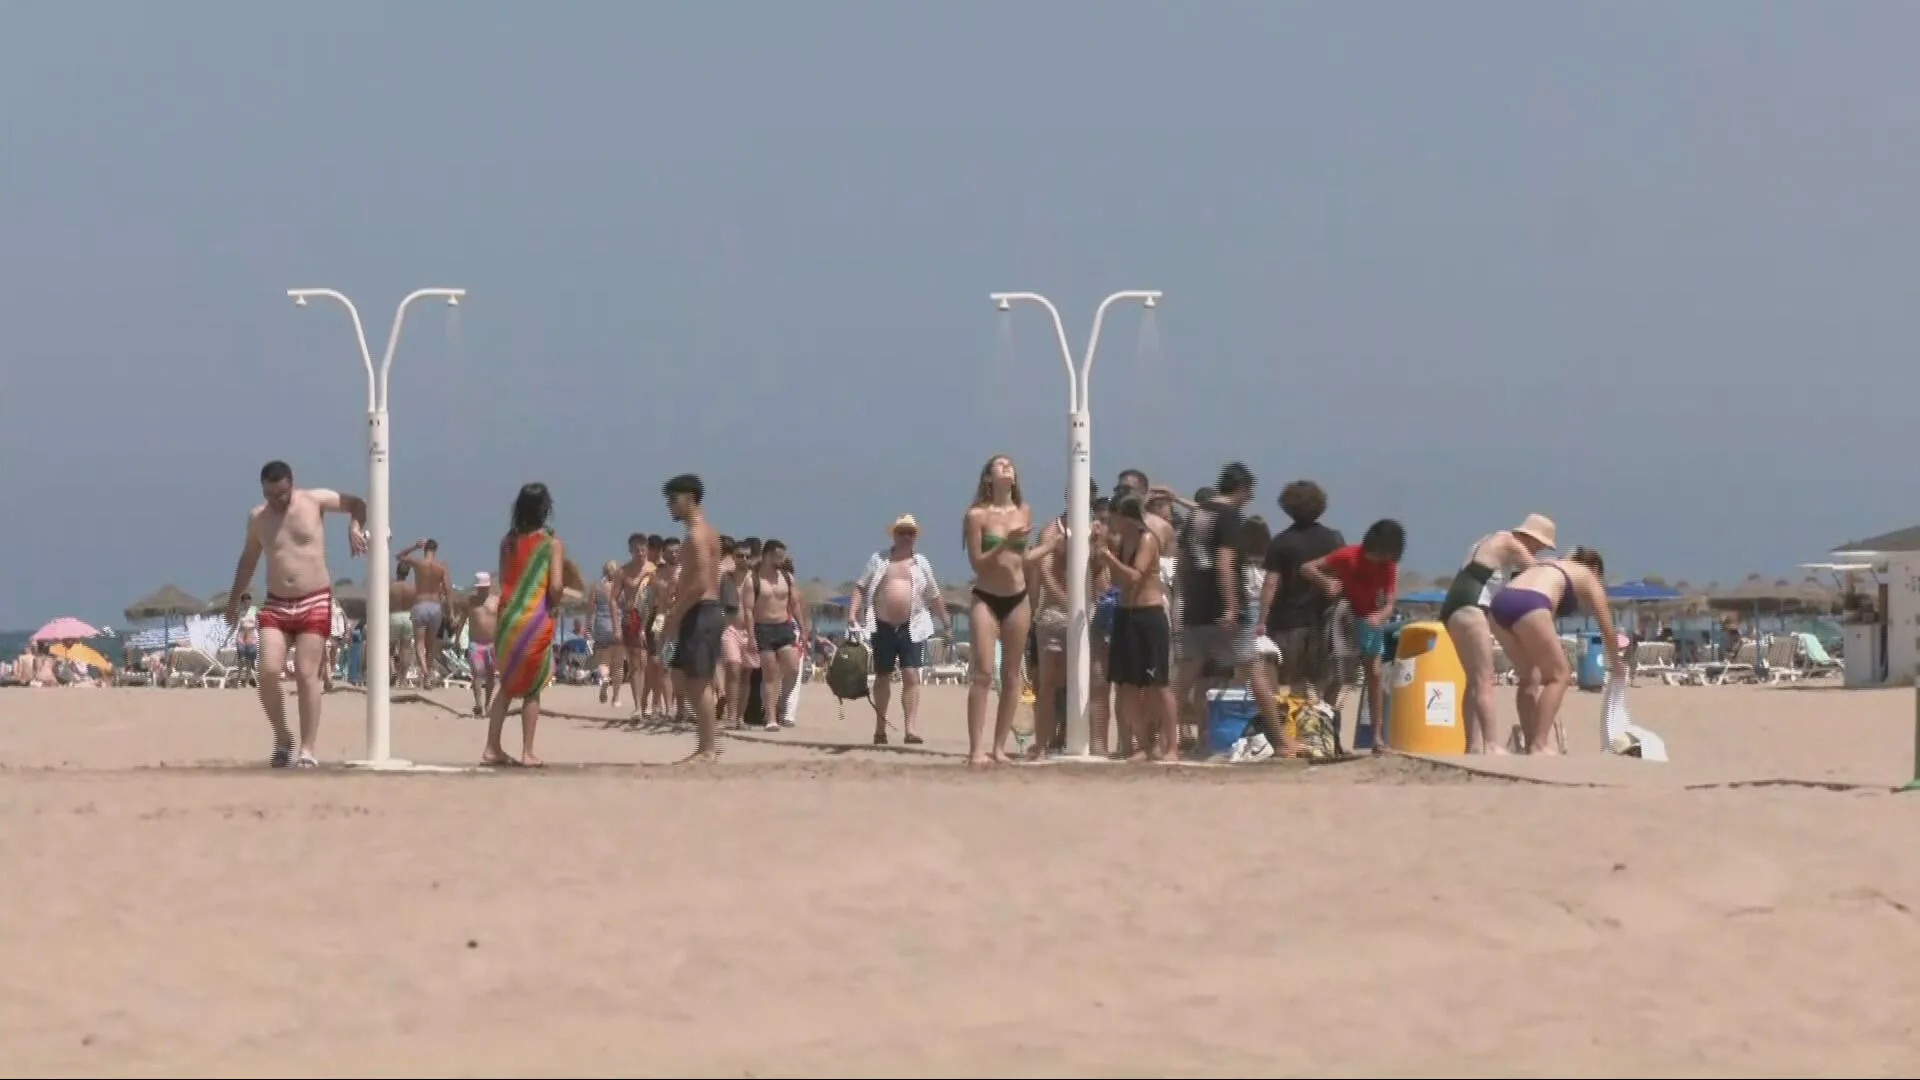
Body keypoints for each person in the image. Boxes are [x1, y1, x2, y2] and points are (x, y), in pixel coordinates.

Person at [224, 460, 368, 768]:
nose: (277, 501)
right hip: (277, 602)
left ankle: (307, 748)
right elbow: (248, 560)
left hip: (314, 598)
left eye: (282, 494)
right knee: (267, 672)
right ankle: (282, 735)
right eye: (270, 495)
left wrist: (355, 526)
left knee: (306, 674)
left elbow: (356, 503)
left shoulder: (314, 501)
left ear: (292, 484)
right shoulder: (258, 519)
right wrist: (234, 599)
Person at [1173, 463, 1288, 758]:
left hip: (1195, 608)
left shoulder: (1196, 514)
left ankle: (1159, 744)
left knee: (1183, 681)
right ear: (1243, 489)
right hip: (1223, 612)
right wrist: (1231, 606)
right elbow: (1225, 564)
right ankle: (1283, 743)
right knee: (1256, 674)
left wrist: (1185, 601)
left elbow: (1183, 562)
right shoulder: (1229, 517)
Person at [1488, 546, 1622, 755]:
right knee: (1560, 676)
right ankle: (1539, 744)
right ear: (1595, 569)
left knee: (1529, 675)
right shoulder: (1588, 576)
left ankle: (1531, 741)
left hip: (1500, 603)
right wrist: (1617, 665)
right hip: (1530, 603)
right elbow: (1607, 628)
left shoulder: (1550, 564)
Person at [1438, 514, 1554, 754]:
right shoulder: (1510, 542)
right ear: (1531, 538)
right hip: (1471, 608)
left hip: (1455, 609)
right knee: (1484, 679)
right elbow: (1537, 573)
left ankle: (1473, 744)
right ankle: (1491, 744)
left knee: (1474, 680)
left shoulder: (1485, 541)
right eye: (1539, 547)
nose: (1538, 551)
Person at [1302, 519, 1406, 753]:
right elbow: (1307, 567)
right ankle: (1325, 734)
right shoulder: (1348, 555)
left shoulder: (1388, 566)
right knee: (1339, 677)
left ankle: (1377, 738)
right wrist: (1326, 581)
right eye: (1377, 554)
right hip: (1344, 617)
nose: (1379, 559)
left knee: (1376, 675)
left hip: (1369, 620)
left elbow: (1390, 603)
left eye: (1386, 555)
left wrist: (1380, 616)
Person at [482, 483, 566, 767]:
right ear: (545, 510)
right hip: (534, 620)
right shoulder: (550, 544)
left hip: (507, 621)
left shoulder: (508, 543)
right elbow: (555, 586)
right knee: (532, 688)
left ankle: (492, 747)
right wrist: (559, 596)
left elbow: (504, 581)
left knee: (506, 685)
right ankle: (527, 751)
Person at [848, 514, 949, 746]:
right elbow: (860, 586)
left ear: (915, 537)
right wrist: (852, 614)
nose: (906, 536)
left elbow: (933, 595)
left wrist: (946, 622)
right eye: (902, 532)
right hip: (882, 625)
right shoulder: (879, 559)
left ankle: (910, 729)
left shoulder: (921, 562)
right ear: (894, 534)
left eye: (910, 533)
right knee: (882, 676)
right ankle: (880, 728)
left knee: (911, 675)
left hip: (912, 626)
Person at [961, 454, 1033, 767]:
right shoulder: (976, 515)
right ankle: (977, 748)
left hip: (1018, 596)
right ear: (988, 478)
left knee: (1013, 675)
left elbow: (1025, 558)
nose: (1007, 468)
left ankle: (1000, 746)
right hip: (986, 596)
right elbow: (977, 563)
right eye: (1000, 465)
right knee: (984, 672)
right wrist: (1004, 544)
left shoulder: (1024, 511)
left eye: (1010, 465)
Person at [1101, 493, 1178, 761]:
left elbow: (1135, 575)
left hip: (1149, 614)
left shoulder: (1147, 539)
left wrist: (1108, 557)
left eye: (1115, 518)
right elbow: (1118, 581)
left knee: (1158, 684)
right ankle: (1143, 745)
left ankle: (1171, 747)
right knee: (1128, 685)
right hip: (1126, 613)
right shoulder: (1122, 541)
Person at [1258, 481, 1346, 708]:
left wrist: (1261, 620)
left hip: (1287, 622)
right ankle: (1319, 727)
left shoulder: (1280, 542)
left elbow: (1270, 584)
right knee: (1321, 680)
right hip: (1324, 621)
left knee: (1291, 683)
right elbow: (1344, 575)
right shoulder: (1334, 539)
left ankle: (1294, 730)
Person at [662, 473, 727, 762]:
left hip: (701, 610)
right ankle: (706, 744)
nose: (669, 506)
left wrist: (674, 615)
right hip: (703, 611)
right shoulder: (707, 533)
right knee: (686, 678)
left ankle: (708, 748)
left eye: (673, 499)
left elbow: (701, 583)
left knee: (697, 682)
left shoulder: (698, 535)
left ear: (689, 498)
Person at [748, 539, 809, 729]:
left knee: (792, 667)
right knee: (769, 675)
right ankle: (771, 718)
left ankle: (780, 703)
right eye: (778, 556)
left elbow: (795, 604)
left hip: (784, 627)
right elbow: (748, 610)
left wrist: (803, 627)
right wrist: (751, 636)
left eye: (783, 557)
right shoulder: (754, 580)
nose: (781, 560)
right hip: (763, 628)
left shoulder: (787, 577)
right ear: (767, 555)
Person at [396, 538, 452, 687]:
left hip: (420, 604)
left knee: (419, 644)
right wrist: (451, 612)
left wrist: (414, 546)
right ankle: (428, 672)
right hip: (435, 606)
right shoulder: (441, 567)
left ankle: (426, 673)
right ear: (436, 550)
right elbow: (448, 591)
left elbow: (399, 556)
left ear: (424, 549)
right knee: (431, 644)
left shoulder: (418, 563)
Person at [617, 533, 653, 715]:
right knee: (635, 663)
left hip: (652, 617)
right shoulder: (623, 571)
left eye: (643, 550)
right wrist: (618, 621)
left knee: (649, 663)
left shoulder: (653, 569)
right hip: (632, 618)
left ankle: (649, 703)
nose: (640, 553)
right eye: (636, 550)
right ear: (630, 551)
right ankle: (638, 705)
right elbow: (612, 599)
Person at [590, 559, 625, 708]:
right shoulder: (621, 588)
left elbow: (590, 609)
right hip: (618, 626)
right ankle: (616, 699)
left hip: (602, 626)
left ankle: (604, 679)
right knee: (618, 664)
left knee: (604, 662)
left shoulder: (596, 586)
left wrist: (588, 626)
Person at [464, 571, 499, 717]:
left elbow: (503, 620)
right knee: (477, 673)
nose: (482, 590)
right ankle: (478, 704)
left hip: (492, 644)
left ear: (489, 587)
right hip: (475, 643)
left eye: (485, 587)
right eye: (480, 587)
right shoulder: (471, 602)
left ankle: (488, 704)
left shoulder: (496, 601)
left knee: (491, 676)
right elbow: (462, 620)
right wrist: (458, 636)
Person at [233, 592, 260, 688]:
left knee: (249, 660)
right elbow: (235, 626)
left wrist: (261, 635)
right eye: (245, 602)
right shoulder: (239, 611)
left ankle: (246, 681)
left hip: (251, 635)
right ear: (242, 603)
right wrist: (225, 640)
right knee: (241, 659)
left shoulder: (254, 610)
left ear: (250, 602)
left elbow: (257, 624)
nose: (247, 604)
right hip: (241, 634)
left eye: (248, 602)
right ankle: (237, 680)